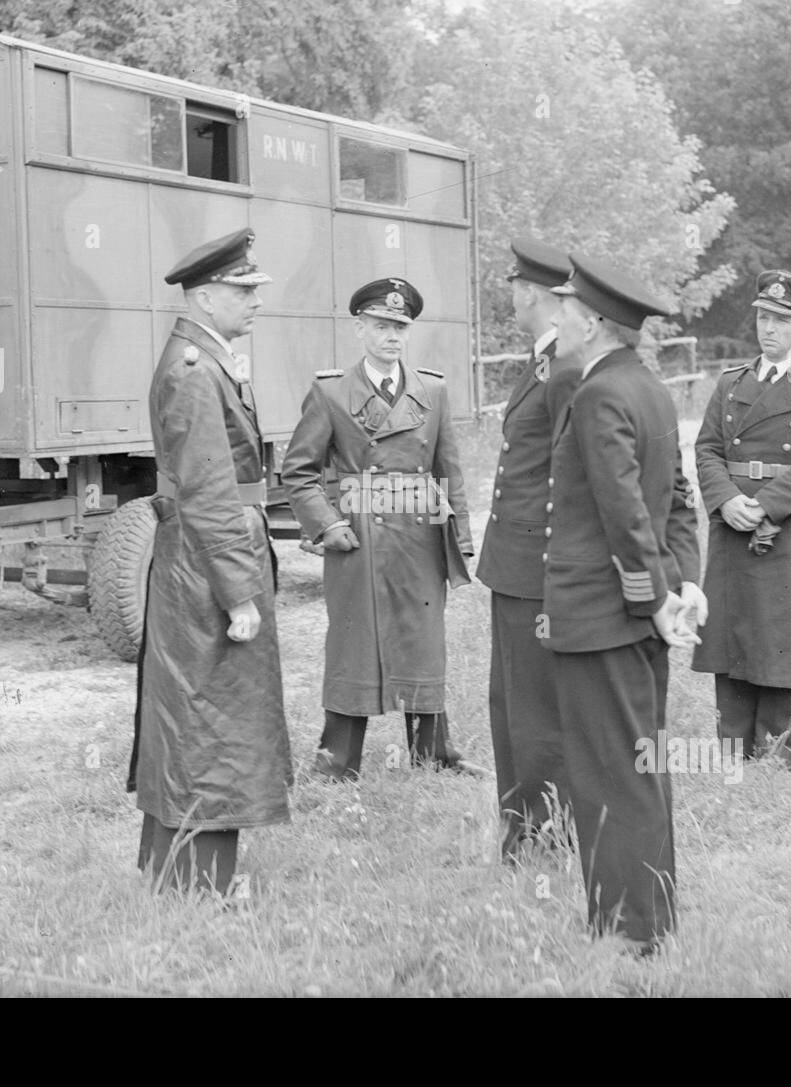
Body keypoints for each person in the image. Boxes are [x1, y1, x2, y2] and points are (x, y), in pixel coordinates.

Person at [542, 253, 703, 952]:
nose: (559, 320)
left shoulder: (600, 394)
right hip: (632, 616)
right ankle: (650, 916)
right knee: (640, 765)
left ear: (597, 324)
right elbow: (675, 503)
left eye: (568, 311)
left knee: (610, 773)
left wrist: (656, 596)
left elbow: (626, 513)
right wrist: (679, 587)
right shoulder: (650, 387)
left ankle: (629, 931)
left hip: (605, 616)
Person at [127, 227, 293, 896]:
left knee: (195, 715)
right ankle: (200, 885)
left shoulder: (204, 357)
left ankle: (175, 871)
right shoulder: (196, 371)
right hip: (206, 561)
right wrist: (240, 592)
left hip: (197, 557)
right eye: (243, 290)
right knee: (209, 722)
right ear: (204, 296)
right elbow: (210, 488)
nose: (255, 301)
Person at [282, 277, 476, 779]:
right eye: (382, 325)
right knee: (353, 639)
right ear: (360, 329)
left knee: (422, 637)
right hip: (358, 538)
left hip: (419, 537)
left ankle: (433, 753)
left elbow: (447, 470)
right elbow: (298, 473)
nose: (393, 335)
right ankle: (337, 761)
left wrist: (462, 539)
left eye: (400, 327)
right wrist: (326, 526)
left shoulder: (432, 389)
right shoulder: (329, 393)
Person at [691, 270, 791, 764]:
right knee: (731, 633)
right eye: (763, 317)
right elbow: (707, 449)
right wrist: (726, 500)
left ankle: (775, 758)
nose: (769, 328)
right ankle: (732, 753)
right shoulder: (731, 382)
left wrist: (766, 505)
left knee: (781, 638)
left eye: (781, 319)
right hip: (732, 523)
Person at [476, 238, 577, 859]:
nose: (510, 294)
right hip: (515, 566)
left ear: (531, 293)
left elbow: (572, 473)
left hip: (540, 568)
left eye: (514, 284)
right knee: (511, 705)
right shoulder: (544, 360)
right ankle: (524, 825)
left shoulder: (563, 367)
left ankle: (545, 833)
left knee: (535, 710)